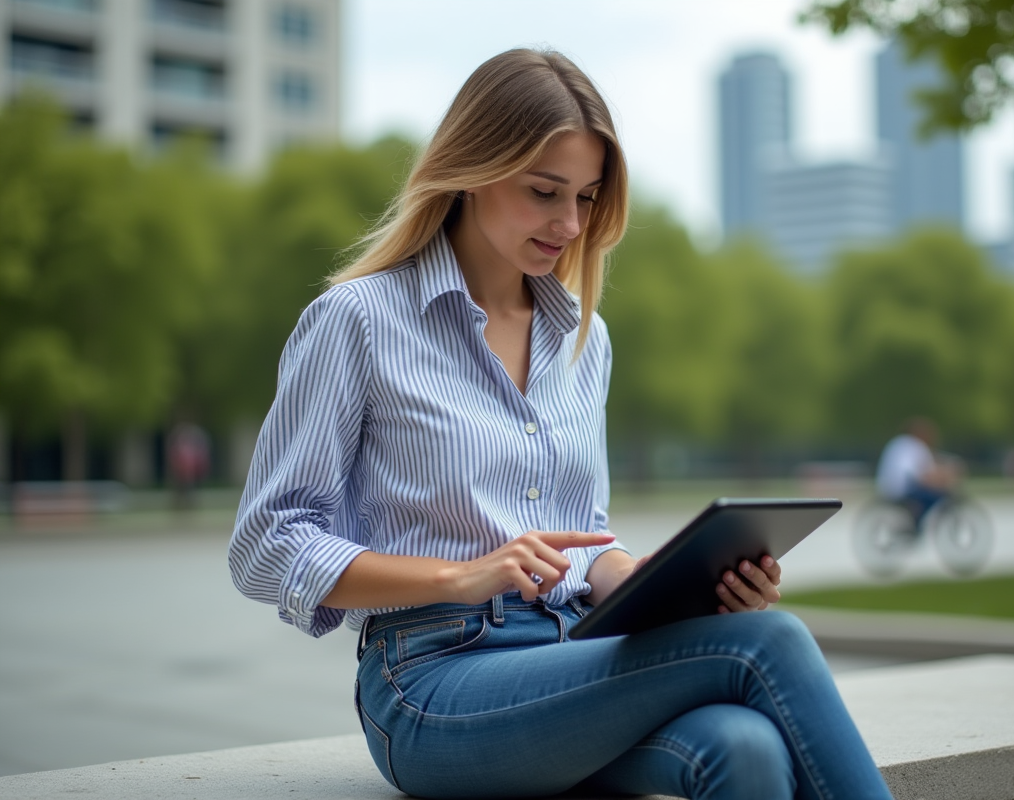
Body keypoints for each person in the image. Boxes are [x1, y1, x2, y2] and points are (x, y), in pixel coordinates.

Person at [229, 48, 892, 800]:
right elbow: (265, 545)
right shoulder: (357, 321)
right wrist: (458, 576)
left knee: (742, 747)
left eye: (586, 197)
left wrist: (642, 576)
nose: (570, 224)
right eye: (545, 192)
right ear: (474, 171)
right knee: (769, 642)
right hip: (431, 683)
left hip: (569, 654)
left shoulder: (583, 336)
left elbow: (581, 532)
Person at [875, 417, 960, 527]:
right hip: (902, 488)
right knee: (937, 495)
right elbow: (924, 474)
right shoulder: (916, 446)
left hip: (887, 486)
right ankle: (916, 521)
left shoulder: (899, 442)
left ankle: (915, 518)